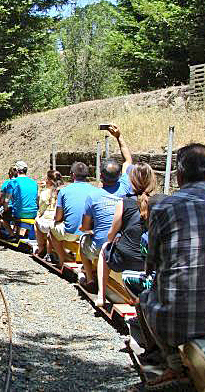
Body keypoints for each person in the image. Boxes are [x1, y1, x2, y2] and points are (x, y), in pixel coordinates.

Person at [139, 143, 205, 390]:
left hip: (177, 323)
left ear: (179, 175)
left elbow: (153, 263)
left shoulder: (163, 206)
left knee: (145, 296)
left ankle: (172, 363)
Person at [77, 124, 135, 290]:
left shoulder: (93, 196)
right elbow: (128, 160)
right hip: (123, 245)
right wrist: (119, 136)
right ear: (120, 176)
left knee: (83, 241)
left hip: (103, 246)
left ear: (101, 176)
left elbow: (86, 227)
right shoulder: (126, 186)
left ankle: (89, 279)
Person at [95, 163, 160, 307]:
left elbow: (111, 235)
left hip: (126, 258)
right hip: (150, 261)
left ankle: (101, 295)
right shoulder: (160, 202)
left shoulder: (124, 203)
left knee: (105, 248)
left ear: (132, 181)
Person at [50, 162, 96, 268]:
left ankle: (62, 259)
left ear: (72, 175)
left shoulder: (64, 191)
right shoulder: (95, 191)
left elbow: (58, 217)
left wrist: (56, 220)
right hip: (89, 232)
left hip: (71, 233)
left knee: (52, 230)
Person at [34, 170, 63, 257]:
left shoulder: (45, 193)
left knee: (37, 221)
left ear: (50, 181)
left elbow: (41, 209)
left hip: (49, 220)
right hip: (59, 220)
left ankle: (41, 247)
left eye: (47, 179)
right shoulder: (62, 191)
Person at [0, 165, 18, 238]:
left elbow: (2, 198)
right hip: (18, 207)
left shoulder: (7, 183)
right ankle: (15, 230)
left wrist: (0, 204)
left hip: (9, 207)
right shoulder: (19, 183)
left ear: (10, 174)